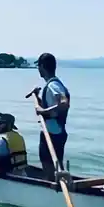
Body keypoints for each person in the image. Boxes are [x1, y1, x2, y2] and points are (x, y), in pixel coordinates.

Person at [30, 52, 70, 182]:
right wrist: (37, 98)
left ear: (42, 66)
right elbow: (52, 108)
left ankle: (53, 188)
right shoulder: (53, 85)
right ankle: (58, 182)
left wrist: (43, 111)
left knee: (49, 166)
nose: (38, 70)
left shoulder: (53, 85)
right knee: (55, 166)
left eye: (38, 67)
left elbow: (63, 103)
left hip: (53, 133)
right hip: (56, 132)